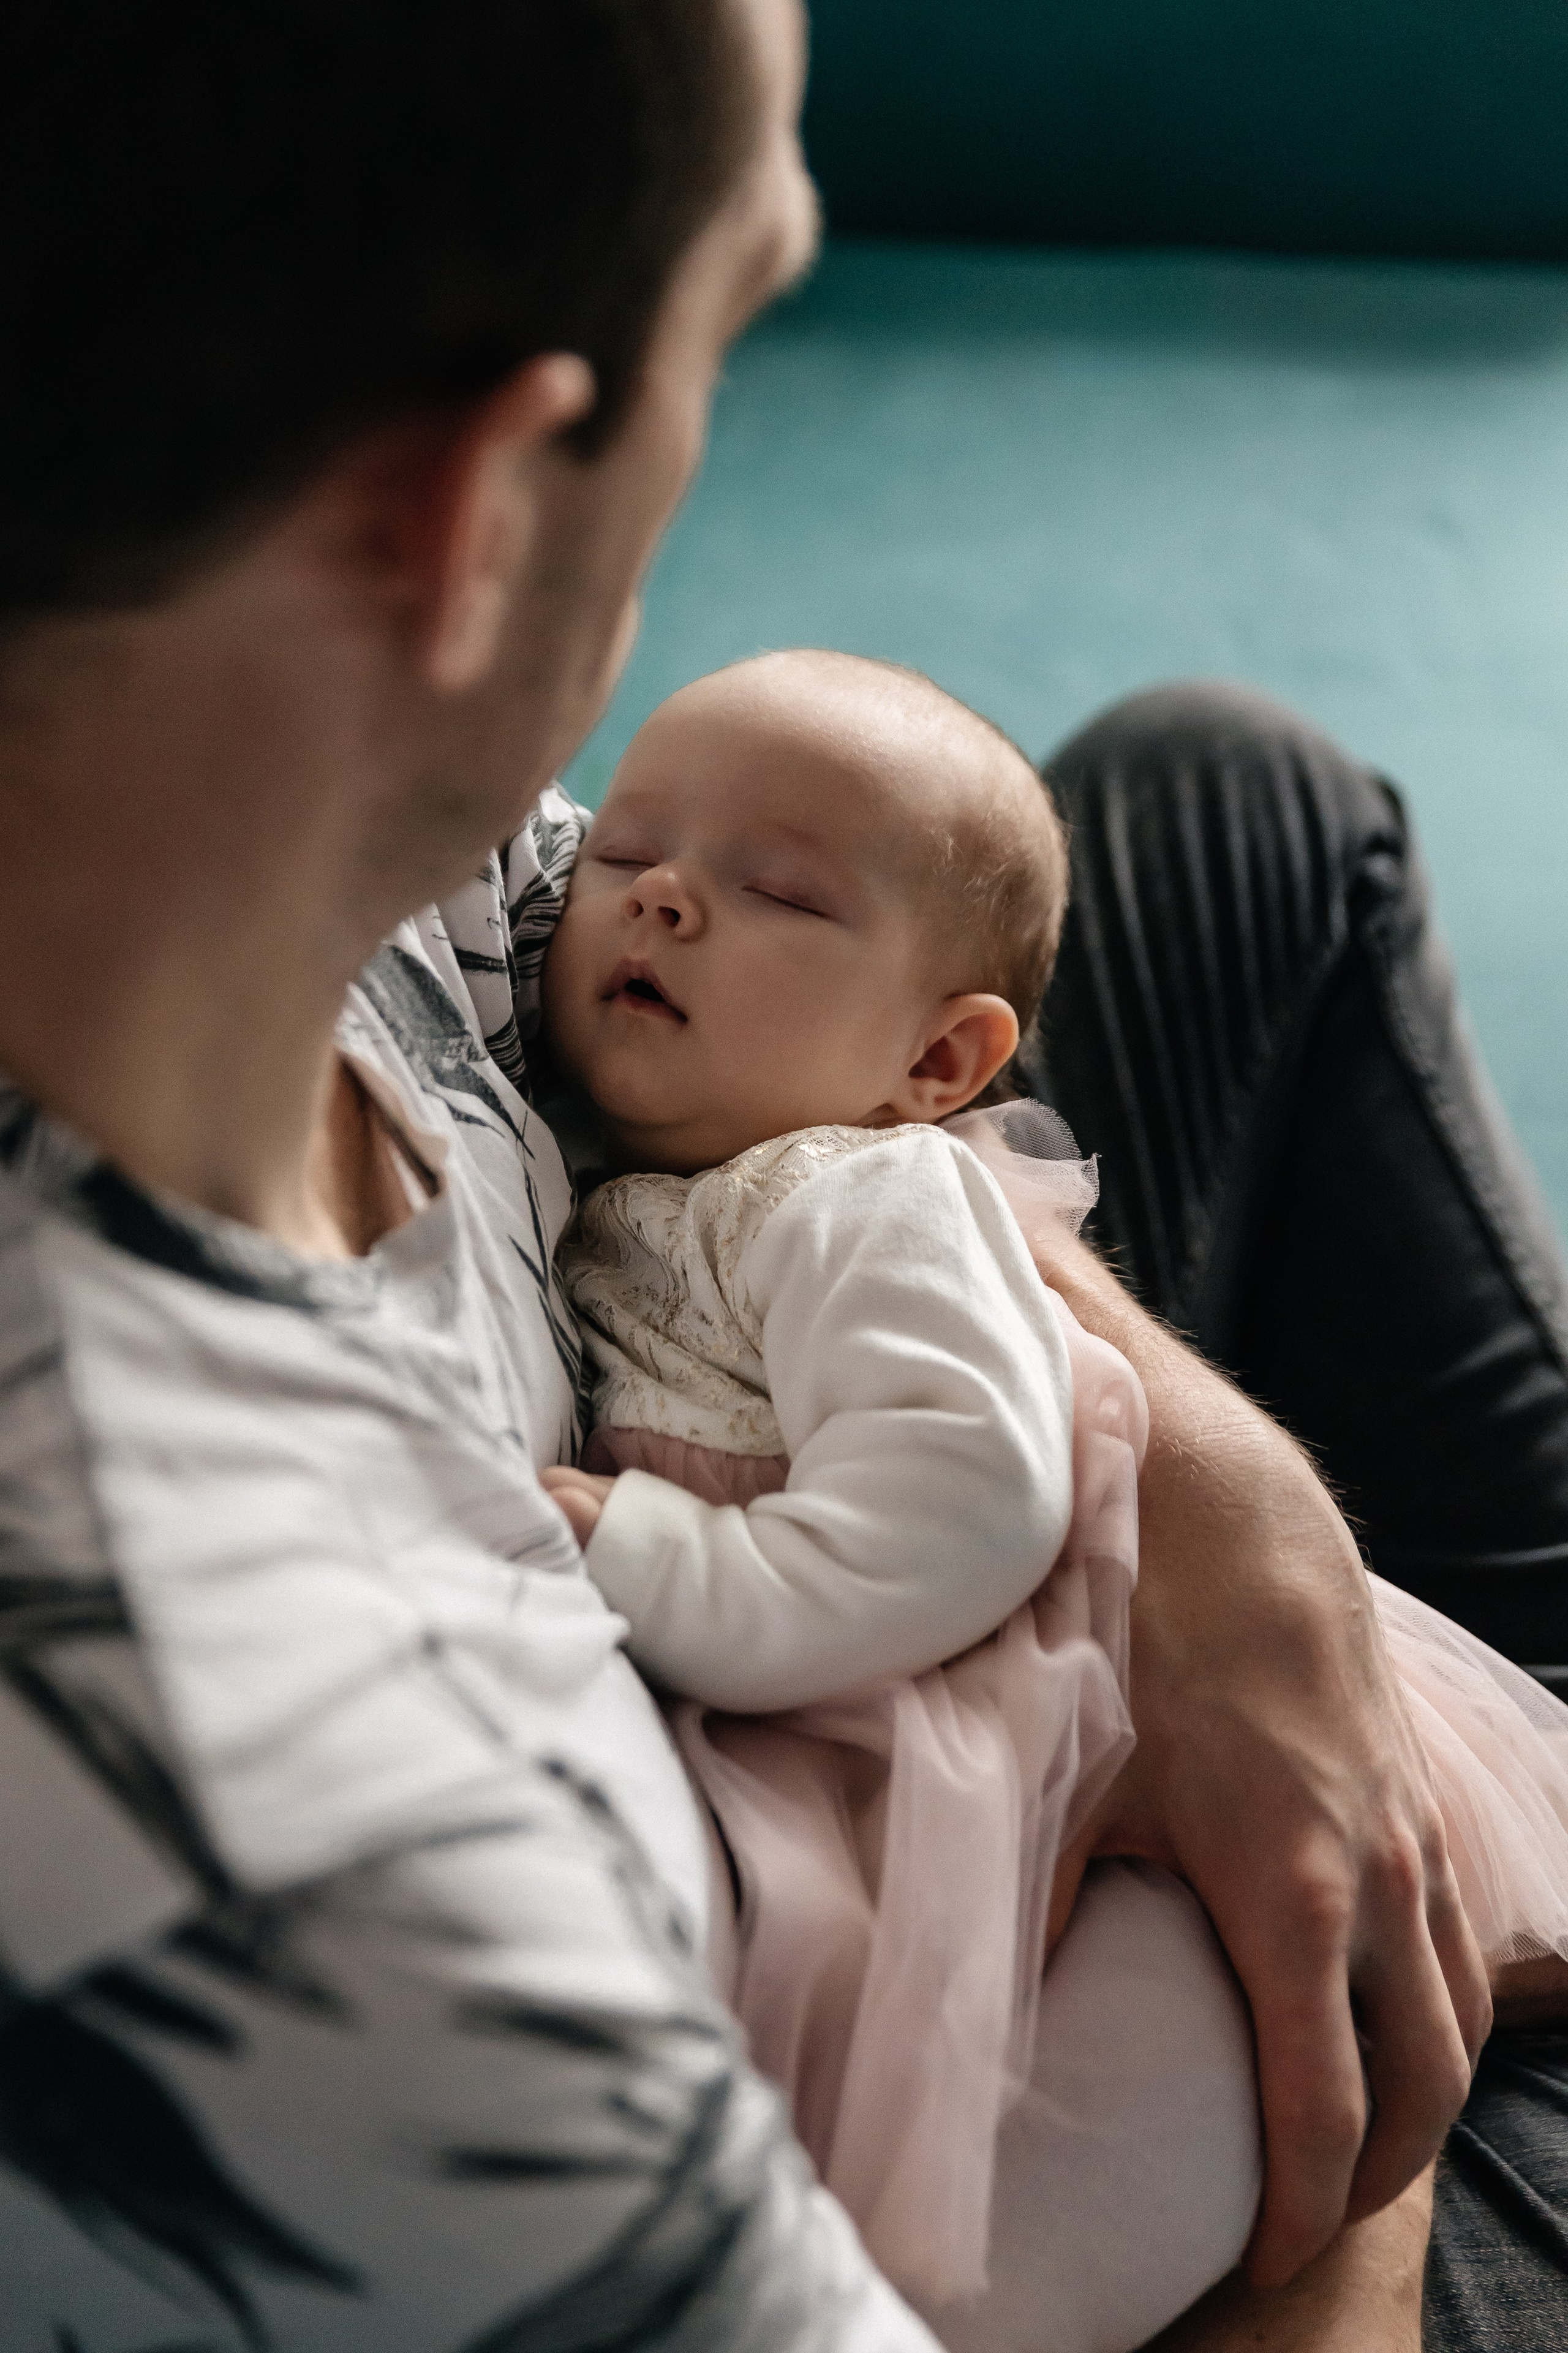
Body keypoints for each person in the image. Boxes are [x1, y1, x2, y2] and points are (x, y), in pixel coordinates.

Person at [0, 1, 1542, 2346]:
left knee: (1235, 803)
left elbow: (827, 1125)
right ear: (468, 518)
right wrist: (1343, 2056)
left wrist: (1229, 1513)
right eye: (734, 320)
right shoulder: (313, 1855)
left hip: (886, 1561)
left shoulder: (330, 850)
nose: (645, 881)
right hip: (1093, 2157)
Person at [534, 648, 1568, 2348]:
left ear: (941, 1063)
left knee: (1185, 2019)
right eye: (627, 851)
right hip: (916, 1719)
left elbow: (964, 1502)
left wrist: (651, 1556)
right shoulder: (663, 1163)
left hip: (1003, 1701)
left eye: (776, 890)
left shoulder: (843, 1202)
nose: (660, 898)